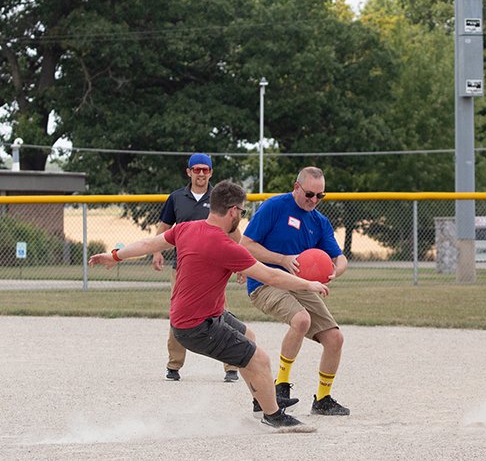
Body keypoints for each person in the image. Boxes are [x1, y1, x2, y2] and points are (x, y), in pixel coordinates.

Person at [89, 180, 328, 431]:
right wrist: (308, 284)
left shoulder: (186, 228)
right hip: (197, 326)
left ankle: (260, 402)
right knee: (260, 360)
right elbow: (270, 276)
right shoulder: (224, 245)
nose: (241, 217)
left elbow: (149, 244)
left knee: (248, 336)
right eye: (243, 212)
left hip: (193, 317)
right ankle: (274, 416)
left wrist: (114, 256)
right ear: (233, 211)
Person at [241, 166, 350, 416]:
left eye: (320, 196)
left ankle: (322, 400)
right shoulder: (274, 207)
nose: (314, 201)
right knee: (301, 319)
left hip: (300, 285)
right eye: (310, 194)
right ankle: (281, 386)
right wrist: (282, 259)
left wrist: (337, 271)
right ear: (296, 187)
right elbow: (246, 245)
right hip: (265, 283)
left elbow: (339, 257)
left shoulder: (319, 221)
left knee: (335, 339)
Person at [151, 153, 241, 383]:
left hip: (215, 269)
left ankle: (232, 366)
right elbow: (164, 228)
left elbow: (234, 232)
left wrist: (241, 265)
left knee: (222, 313)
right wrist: (157, 251)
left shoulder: (220, 198)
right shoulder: (176, 198)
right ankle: (174, 365)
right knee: (178, 312)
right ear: (188, 172)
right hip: (183, 267)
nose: (201, 174)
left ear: (211, 172)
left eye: (206, 170)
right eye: (197, 169)